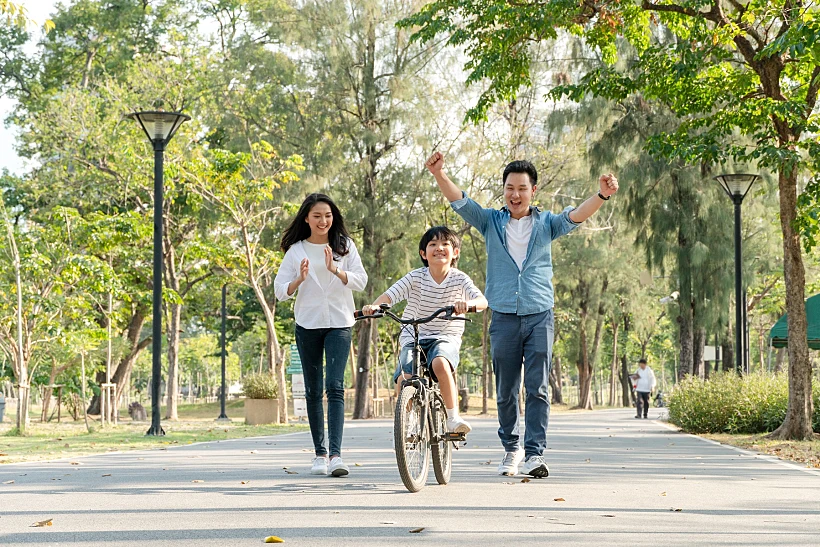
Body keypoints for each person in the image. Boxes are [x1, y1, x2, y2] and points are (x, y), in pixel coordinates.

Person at [426, 151, 618, 478]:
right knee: (506, 389)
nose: (515, 194)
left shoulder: (547, 224)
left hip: (540, 314)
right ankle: (511, 448)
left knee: (538, 387)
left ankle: (534, 453)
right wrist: (439, 174)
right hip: (503, 316)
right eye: (510, 188)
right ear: (503, 191)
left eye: (522, 188)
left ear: (533, 191)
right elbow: (460, 200)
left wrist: (602, 195)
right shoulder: (490, 221)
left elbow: (578, 215)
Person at [274, 193, 368, 477]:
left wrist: (336, 270)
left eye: (327, 215)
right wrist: (298, 280)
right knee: (313, 391)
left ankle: (337, 456)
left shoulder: (344, 246)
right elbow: (280, 292)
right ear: (306, 218)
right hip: (308, 323)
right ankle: (320, 454)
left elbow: (361, 281)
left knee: (335, 386)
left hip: (339, 322)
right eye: (317, 216)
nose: (323, 221)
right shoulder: (296, 251)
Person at [362, 226, 488, 434]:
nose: (439, 248)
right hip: (414, 334)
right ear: (423, 253)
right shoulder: (415, 277)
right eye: (433, 244)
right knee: (405, 377)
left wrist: (468, 304)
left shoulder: (459, 279)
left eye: (445, 244)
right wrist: (374, 306)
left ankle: (453, 418)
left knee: (439, 362)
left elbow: (482, 300)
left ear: (455, 252)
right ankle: (410, 421)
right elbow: (389, 296)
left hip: (446, 335)